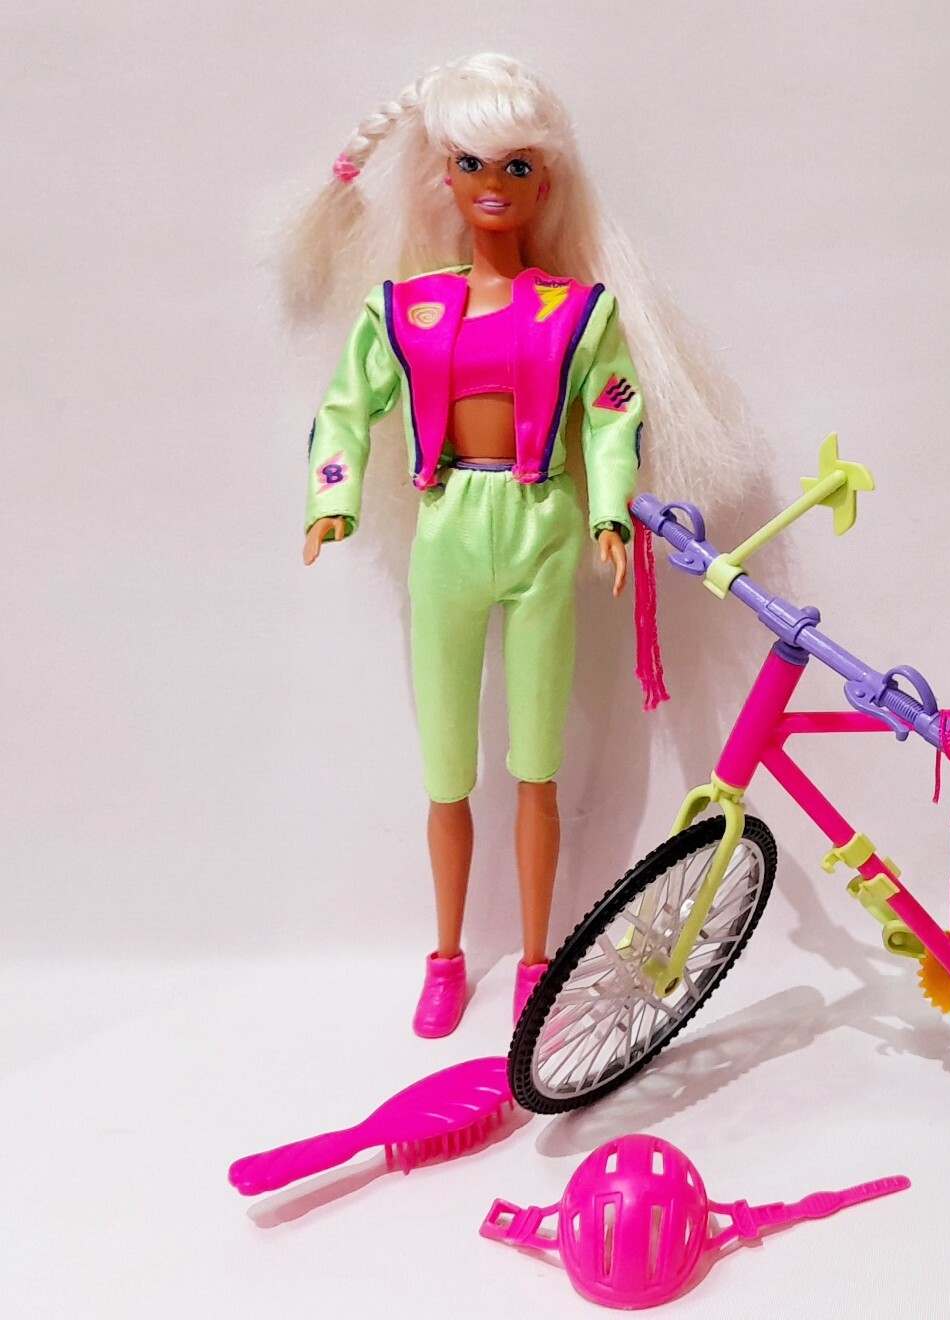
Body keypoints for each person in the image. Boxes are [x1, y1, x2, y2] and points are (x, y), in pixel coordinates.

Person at [286, 53, 747, 1037]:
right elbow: (348, 406)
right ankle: (446, 955)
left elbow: (612, 412)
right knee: (446, 767)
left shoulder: (578, 312)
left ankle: (537, 957)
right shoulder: (405, 309)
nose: (493, 187)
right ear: (443, 177)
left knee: (538, 764)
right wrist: (333, 495)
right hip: (449, 526)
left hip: (543, 526)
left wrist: (612, 511)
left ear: (546, 182)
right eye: (472, 165)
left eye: (516, 168)